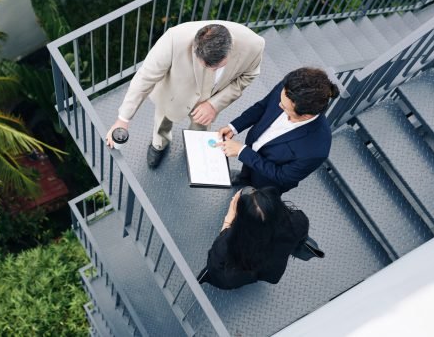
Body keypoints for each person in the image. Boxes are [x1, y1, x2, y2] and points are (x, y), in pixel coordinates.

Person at [105, 21, 265, 169]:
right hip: (173, 94)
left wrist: (214, 104)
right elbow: (145, 77)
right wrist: (123, 119)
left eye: (216, 66)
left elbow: (249, 75)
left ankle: (194, 149)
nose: (210, 70)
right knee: (162, 121)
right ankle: (159, 144)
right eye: (205, 64)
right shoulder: (174, 39)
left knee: (200, 129)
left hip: (211, 101)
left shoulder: (254, 45)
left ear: (229, 50)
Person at [216, 67, 340, 193]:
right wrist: (234, 127)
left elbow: (282, 177)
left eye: (285, 107)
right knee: (246, 174)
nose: (279, 105)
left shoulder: (316, 151)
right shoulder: (288, 88)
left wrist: (243, 152)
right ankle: (243, 178)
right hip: (253, 150)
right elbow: (263, 106)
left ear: (306, 115)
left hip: (266, 182)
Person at [199, 186, 309, 290]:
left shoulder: (229, 242)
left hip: (239, 273)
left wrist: (228, 220)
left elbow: (214, 262)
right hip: (270, 268)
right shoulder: (299, 221)